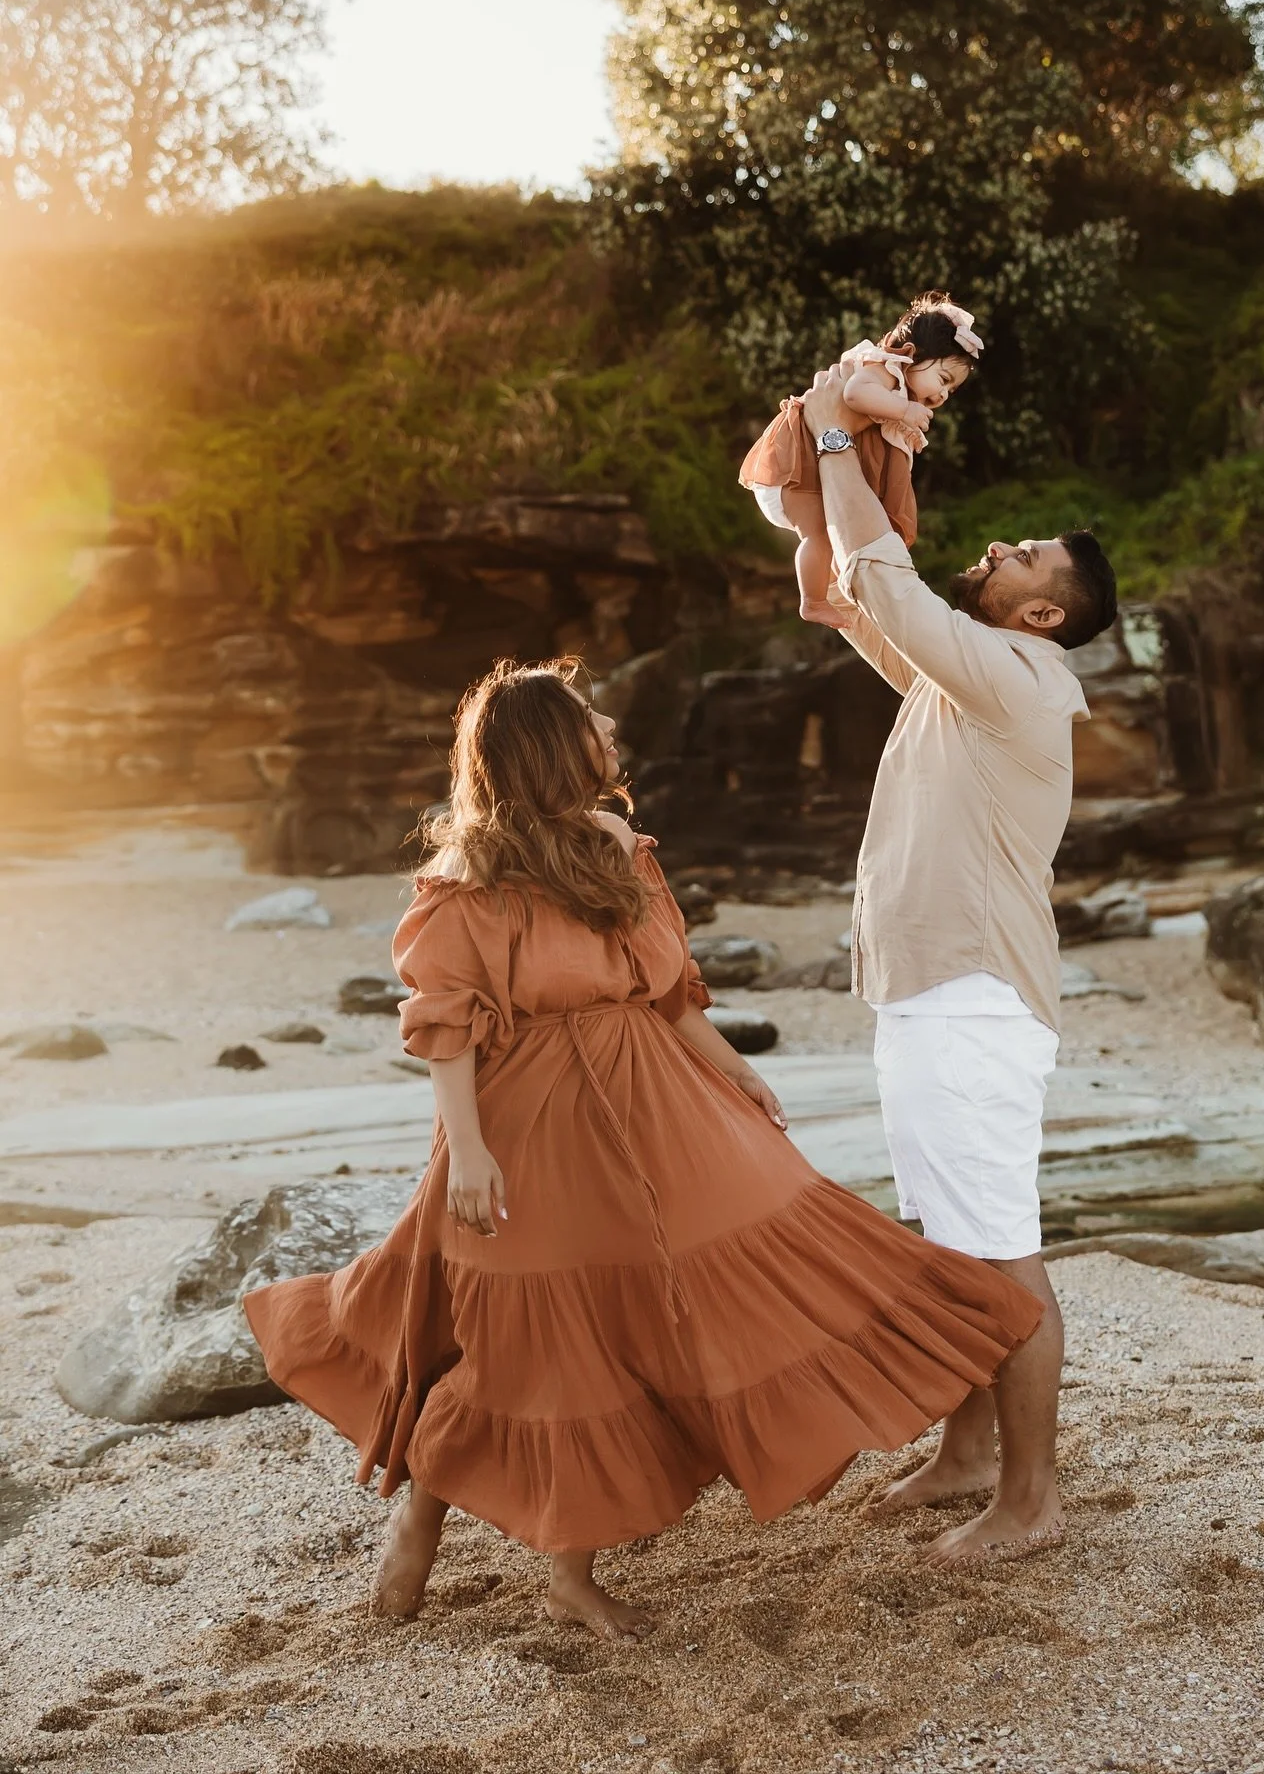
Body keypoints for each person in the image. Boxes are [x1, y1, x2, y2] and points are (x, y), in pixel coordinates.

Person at [243, 657, 1045, 1638]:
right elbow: (446, 1030)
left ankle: (569, 1573)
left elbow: (664, 993)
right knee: (526, 1337)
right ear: (546, 748)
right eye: (589, 717)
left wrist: (735, 1068)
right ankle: (422, 1518)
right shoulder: (465, 884)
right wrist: (471, 1150)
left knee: (666, 1302)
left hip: (652, 1107)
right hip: (527, 1123)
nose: (609, 728)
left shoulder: (616, 848)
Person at [800, 362, 1118, 1566]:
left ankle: (1031, 1499)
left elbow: (885, 576)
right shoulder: (968, 677)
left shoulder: (1020, 677)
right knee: (949, 1242)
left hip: (974, 1002)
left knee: (998, 1246)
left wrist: (839, 437)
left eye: (1025, 557)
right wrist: (846, 449)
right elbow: (850, 594)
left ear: (1041, 617)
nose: (1000, 548)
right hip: (932, 996)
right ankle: (969, 1450)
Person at [741, 291, 983, 627]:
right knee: (818, 535)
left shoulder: (896, 386)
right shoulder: (885, 368)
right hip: (796, 466)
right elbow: (855, 393)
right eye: (943, 380)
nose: (943, 394)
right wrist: (904, 409)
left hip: (810, 468)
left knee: (832, 535)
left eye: (951, 391)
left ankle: (835, 589)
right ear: (912, 354)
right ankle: (812, 602)